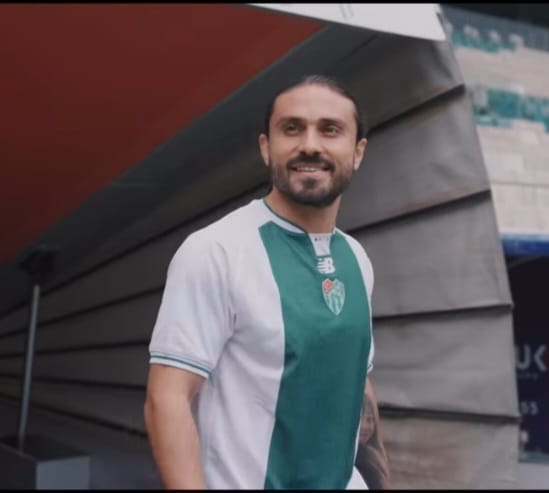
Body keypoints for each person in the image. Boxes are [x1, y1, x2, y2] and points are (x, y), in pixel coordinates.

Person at [144, 74, 391, 490]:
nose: (310, 145)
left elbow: (358, 387)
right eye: (291, 128)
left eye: (330, 130)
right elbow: (166, 401)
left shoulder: (357, 258)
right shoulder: (215, 250)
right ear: (265, 147)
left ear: (358, 151)